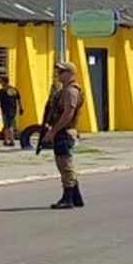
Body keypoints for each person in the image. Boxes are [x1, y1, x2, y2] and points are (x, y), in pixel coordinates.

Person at [42, 62, 85, 209]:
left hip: (65, 131)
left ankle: (68, 198)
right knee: (66, 165)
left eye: (61, 72)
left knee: (65, 164)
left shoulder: (70, 91)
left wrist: (53, 131)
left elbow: (68, 114)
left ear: (70, 73)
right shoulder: (65, 90)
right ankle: (76, 197)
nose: (58, 74)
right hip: (63, 131)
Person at [0, 77, 23, 147]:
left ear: (4, 82)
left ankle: (7, 140)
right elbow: (19, 99)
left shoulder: (2, 90)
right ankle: (11, 140)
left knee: (6, 126)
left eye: (1, 81)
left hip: (5, 110)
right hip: (13, 110)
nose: (0, 83)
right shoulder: (14, 89)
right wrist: (21, 108)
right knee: (11, 124)